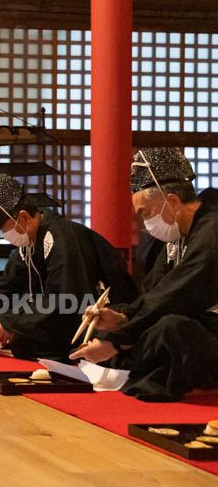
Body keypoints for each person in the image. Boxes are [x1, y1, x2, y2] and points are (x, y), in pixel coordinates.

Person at [70, 148, 218, 401]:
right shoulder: (176, 238)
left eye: (146, 213)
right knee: (110, 321)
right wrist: (120, 317)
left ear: (171, 202)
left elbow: (179, 294)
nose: (145, 223)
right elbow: (154, 293)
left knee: (170, 328)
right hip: (198, 324)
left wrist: (118, 339)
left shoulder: (212, 231)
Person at [0, 173, 135, 360]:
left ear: (24, 216)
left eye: (3, 227)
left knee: (21, 340)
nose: (4, 234)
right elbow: (7, 285)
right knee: (17, 340)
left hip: (103, 319)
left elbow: (66, 298)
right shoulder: (29, 242)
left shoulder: (62, 238)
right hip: (65, 318)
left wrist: (11, 323)